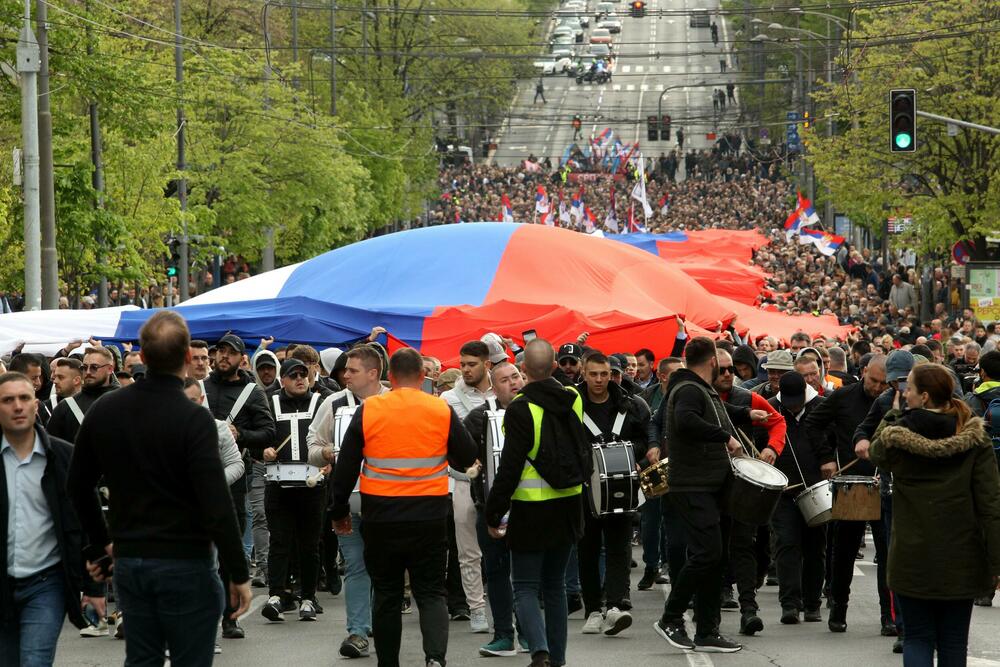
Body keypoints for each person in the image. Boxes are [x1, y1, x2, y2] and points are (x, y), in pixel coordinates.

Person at [67, 311, 252, 665]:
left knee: (142, 658)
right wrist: (237, 573)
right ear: (187, 358)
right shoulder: (194, 418)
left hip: (132, 558)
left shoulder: (106, 410)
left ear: (143, 357)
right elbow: (215, 501)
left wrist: (101, 544)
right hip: (187, 561)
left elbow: (77, 485)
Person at [331, 348, 477, 667]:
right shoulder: (439, 408)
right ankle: (435, 658)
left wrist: (338, 511)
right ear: (423, 377)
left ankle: (388, 663)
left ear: (390, 377)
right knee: (431, 592)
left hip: (381, 516)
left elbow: (345, 468)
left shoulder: (369, 409)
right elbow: (467, 455)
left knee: (386, 594)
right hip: (430, 515)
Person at [870, 363, 1000, 666]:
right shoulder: (975, 440)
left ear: (924, 396)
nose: (905, 393)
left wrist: (894, 413)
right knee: (953, 641)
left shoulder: (898, 436)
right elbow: (991, 504)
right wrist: (995, 561)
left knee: (917, 637)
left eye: (910, 389)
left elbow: (876, 450)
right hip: (961, 555)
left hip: (910, 556)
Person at [654, 336, 763, 654]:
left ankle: (706, 629)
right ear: (712, 361)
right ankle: (671, 618)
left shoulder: (700, 388)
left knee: (715, 557)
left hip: (709, 484)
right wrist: (725, 436)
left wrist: (745, 416)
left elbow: (718, 412)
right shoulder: (688, 388)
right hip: (692, 485)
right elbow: (686, 421)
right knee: (707, 554)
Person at [485, 339, 588, 667]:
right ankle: (556, 659)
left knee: (526, 587)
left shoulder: (519, 408)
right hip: (569, 505)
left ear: (525, 370)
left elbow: (510, 467)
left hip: (531, 509)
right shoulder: (573, 397)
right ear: (556, 363)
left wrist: (494, 512)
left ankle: (539, 650)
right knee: (555, 586)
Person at [0, 371, 106, 664]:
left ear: (37, 404)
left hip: (45, 583)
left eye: (24, 398)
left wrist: (95, 588)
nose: (18, 406)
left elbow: (89, 525)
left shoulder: (64, 458)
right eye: (8, 400)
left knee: (35, 660)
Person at [309, 345, 390, 659]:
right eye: (344, 369)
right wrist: (328, 453)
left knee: (383, 567)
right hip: (345, 499)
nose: (344, 375)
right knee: (356, 566)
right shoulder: (334, 402)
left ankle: (378, 625)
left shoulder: (391, 402)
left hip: (386, 500)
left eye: (352, 370)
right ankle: (358, 632)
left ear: (373, 373)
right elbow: (312, 445)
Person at [805, 355, 893, 635]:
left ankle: (888, 617)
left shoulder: (893, 401)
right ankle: (838, 608)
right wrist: (826, 457)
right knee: (843, 550)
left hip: (884, 484)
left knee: (887, 553)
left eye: (883, 383)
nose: (878, 388)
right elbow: (813, 423)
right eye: (873, 381)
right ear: (864, 372)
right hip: (851, 483)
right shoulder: (843, 396)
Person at [202, 333, 276, 640]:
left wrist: (240, 433)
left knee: (230, 553)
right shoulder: (200, 388)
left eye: (230, 352)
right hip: (194, 478)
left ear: (241, 358)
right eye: (219, 351)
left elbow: (269, 431)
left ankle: (230, 618)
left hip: (233, 480)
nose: (223, 357)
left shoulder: (251, 392)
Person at [576, 352, 651, 636]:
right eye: (593, 374)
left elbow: (646, 438)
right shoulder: (573, 404)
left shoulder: (630, 404)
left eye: (604, 374)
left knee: (620, 547)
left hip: (623, 487)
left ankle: (616, 605)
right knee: (588, 550)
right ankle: (594, 609)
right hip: (586, 489)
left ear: (611, 374)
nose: (599, 379)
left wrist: (638, 459)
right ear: (584, 372)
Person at [713, 349, 786, 636]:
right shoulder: (699, 398)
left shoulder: (746, 397)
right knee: (712, 548)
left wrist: (772, 448)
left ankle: (749, 610)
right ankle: (714, 600)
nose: (729, 374)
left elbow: (778, 422)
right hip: (708, 483)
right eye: (722, 370)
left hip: (741, 483)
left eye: (731, 369)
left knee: (743, 545)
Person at [462, 361, 530, 656]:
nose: (513, 383)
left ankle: (529, 633)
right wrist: (470, 465)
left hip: (530, 506)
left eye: (516, 376)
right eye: (504, 380)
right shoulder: (478, 418)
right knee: (498, 571)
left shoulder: (535, 411)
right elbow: (460, 454)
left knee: (528, 574)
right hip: (490, 507)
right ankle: (504, 634)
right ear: (493, 386)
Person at [761, 371, 827, 625]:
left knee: (815, 547)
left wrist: (827, 462)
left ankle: (812, 604)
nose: (793, 406)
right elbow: (760, 438)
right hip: (783, 489)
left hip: (816, 487)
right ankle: (789, 604)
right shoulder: (773, 409)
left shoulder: (820, 406)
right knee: (786, 544)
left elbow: (829, 440)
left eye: (797, 401)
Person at [440, 340, 495, 631]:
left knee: (499, 548)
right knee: (466, 550)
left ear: (487, 364)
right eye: (462, 364)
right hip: (460, 481)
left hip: (498, 483)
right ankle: (473, 607)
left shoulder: (503, 392)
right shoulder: (448, 398)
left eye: (471, 364)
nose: (465, 369)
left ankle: (501, 604)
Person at [45, 347, 117, 443]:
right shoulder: (65, 406)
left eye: (94, 367)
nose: (88, 372)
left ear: (110, 369)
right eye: (84, 367)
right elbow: (52, 448)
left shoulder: (125, 401)